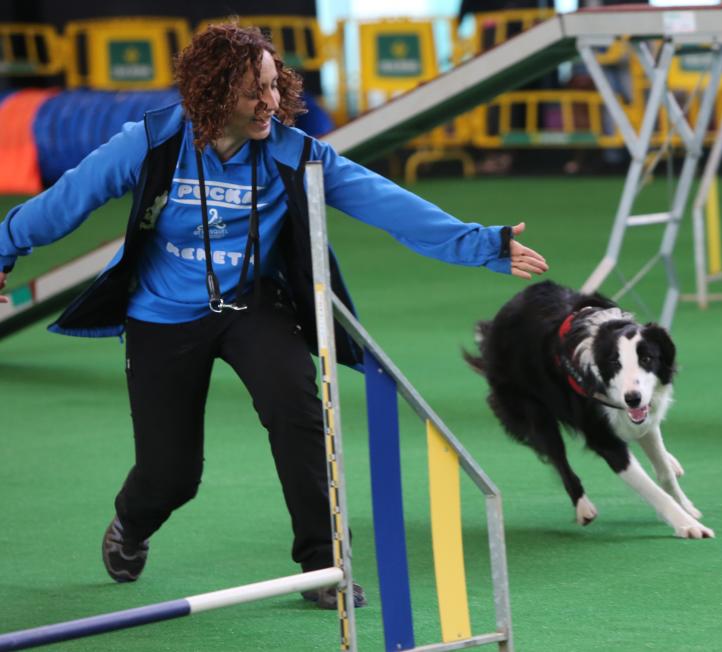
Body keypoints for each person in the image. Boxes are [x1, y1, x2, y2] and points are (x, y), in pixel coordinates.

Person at [0, 23, 548, 609]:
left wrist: (482, 245)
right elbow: (66, 200)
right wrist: (5, 248)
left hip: (253, 304)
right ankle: (132, 523)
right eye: (251, 91)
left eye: (272, 85)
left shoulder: (296, 154)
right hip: (160, 312)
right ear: (211, 95)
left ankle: (323, 565)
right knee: (172, 476)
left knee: (299, 413)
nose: (269, 103)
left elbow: (388, 205)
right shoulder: (152, 141)